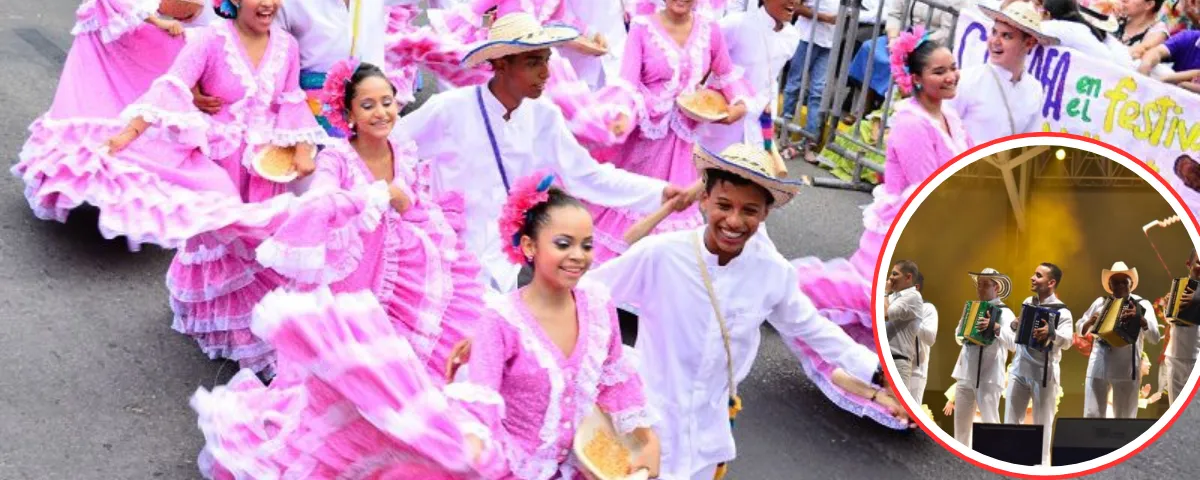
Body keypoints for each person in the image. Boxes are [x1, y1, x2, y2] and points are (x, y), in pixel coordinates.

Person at [586, 143, 910, 479]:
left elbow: (812, 328)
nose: (734, 221)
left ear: (765, 213)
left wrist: (880, 375)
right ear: (704, 201)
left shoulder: (772, 272)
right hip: (648, 424)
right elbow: (589, 298)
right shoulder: (661, 255)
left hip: (708, 432)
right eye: (723, 205)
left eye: (749, 210)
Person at [107, 0, 330, 375]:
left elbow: (290, 101)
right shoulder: (209, 39)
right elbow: (172, 87)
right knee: (225, 246)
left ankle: (262, 327)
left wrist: (304, 148)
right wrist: (128, 134)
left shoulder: (287, 46)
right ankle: (229, 331)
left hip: (266, 167)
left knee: (262, 248)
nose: (269, 4)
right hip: (220, 164)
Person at [390, 13, 688, 293]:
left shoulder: (544, 116)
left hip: (503, 262)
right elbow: (389, 147)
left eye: (546, 61)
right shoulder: (450, 109)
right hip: (447, 255)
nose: (546, 73)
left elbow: (587, 176)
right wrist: (406, 206)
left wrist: (660, 192)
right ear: (501, 64)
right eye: (533, 62)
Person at [255, 60, 487, 381]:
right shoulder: (336, 157)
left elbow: (412, 202)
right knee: (349, 357)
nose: (380, 112)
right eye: (367, 105)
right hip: (353, 270)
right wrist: (375, 195)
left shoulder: (402, 149)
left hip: (400, 256)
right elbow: (322, 199)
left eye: (386, 102)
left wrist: (408, 207)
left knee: (415, 344)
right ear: (349, 115)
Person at [462, 174, 663, 478]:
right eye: (563, 244)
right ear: (529, 246)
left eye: (586, 245)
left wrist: (647, 440)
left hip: (582, 466)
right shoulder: (500, 320)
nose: (578, 256)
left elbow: (615, 379)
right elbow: (482, 405)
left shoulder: (598, 305)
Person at [787, 27, 971, 352]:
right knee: (869, 299)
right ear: (915, 78)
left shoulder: (950, 116)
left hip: (936, 223)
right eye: (939, 71)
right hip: (910, 224)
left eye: (952, 68)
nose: (950, 77)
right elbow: (928, 186)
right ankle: (781, 290)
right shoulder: (911, 122)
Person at [10, 0, 215, 246]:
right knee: (91, 108)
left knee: (133, 110)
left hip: (130, 35)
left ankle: (126, 189)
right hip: (105, 36)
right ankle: (80, 176)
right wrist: (156, 19)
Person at [588, 0, 751, 267]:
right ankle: (618, 280)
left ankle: (657, 284)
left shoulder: (710, 30)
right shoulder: (641, 28)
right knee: (633, 206)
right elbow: (627, 85)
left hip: (683, 141)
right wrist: (622, 118)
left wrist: (739, 106)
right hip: (643, 141)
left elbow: (727, 75)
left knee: (676, 210)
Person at [700, 0, 801, 158]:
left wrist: (768, 109)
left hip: (757, 120)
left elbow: (770, 78)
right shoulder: (736, 24)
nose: (793, 1)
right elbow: (703, 58)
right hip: (725, 118)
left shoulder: (792, 36)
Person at [952, 2, 1060, 145]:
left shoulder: (1034, 90)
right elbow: (941, 132)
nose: (995, 41)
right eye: (994, 32)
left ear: (1029, 43)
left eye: (1007, 36)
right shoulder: (967, 80)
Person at [1002, 262, 1074, 466]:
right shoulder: (1028, 301)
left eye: (1038, 276)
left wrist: (1052, 333)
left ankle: (1041, 469)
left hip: (1043, 374)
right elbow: (1020, 332)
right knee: (1011, 424)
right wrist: (1016, 324)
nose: (1033, 278)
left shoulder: (1063, 312)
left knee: (1043, 427)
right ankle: (1009, 465)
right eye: (1034, 274)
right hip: (1019, 370)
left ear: (1051, 283)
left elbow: (1068, 341)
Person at [1078, 262, 1162, 418]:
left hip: (1127, 369)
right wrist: (1090, 322)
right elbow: (1079, 329)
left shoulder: (1142, 305)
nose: (1120, 285)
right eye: (1116, 282)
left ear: (1131, 283)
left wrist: (1140, 320)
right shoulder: (1100, 303)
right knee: (1092, 417)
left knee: (1124, 422)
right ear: (1110, 285)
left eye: (1124, 281)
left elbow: (1155, 337)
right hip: (1099, 365)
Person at [951, 268, 1017, 449]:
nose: (979, 289)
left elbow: (1014, 344)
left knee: (990, 423)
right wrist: (965, 330)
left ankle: (995, 463)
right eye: (978, 285)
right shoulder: (971, 308)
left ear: (996, 287)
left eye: (985, 285)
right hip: (965, 373)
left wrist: (995, 327)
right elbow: (957, 336)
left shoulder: (1005, 312)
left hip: (988, 375)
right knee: (961, 429)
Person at [1165, 250, 1200, 404]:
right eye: (1199, 262)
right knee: (1176, 408)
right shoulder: (1178, 287)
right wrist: (1169, 307)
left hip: (1196, 358)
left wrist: (1197, 297)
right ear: (1189, 264)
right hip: (1175, 357)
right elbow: (1173, 321)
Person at [885, 260, 925, 390]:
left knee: (894, 407)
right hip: (884, 359)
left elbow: (885, 314)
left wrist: (884, 293)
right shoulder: (892, 297)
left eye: (895, 274)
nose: (890, 277)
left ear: (908, 277)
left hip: (897, 362)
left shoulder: (913, 296)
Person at [910, 272, 939, 405]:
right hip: (893, 368)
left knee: (910, 417)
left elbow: (930, 338)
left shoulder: (927, 308)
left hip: (915, 373)